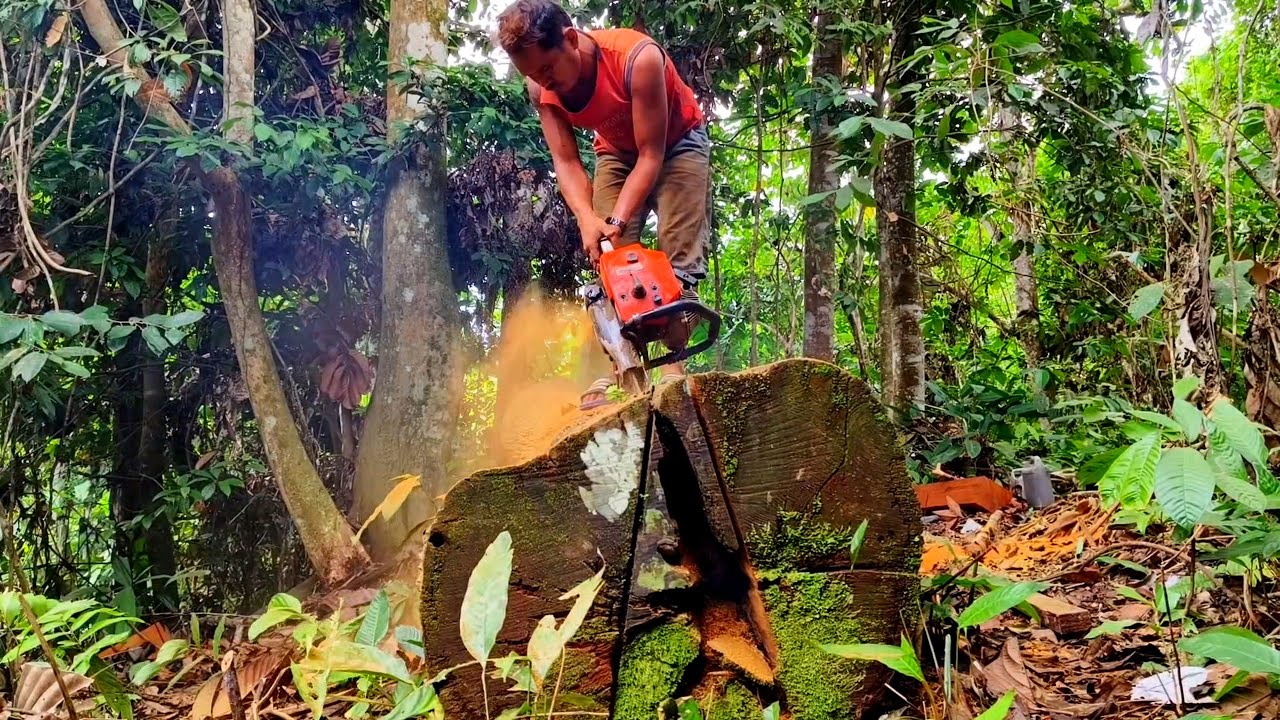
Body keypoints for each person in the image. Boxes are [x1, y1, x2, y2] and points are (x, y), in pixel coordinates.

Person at [495, 0, 712, 410]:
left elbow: (651, 155)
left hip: (677, 144)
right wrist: (588, 220)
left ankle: (672, 370)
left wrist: (614, 218)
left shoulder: (637, 59)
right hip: (615, 151)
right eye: (532, 75)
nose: (543, 82)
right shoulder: (541, 87)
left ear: (571, 40)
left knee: (677, 254)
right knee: (610, 258)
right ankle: (622, 369)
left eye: (546, 69)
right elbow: (566, 160)